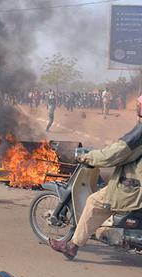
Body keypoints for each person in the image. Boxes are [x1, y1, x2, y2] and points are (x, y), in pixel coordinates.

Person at [49, 96, 142, 260]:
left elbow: (115, 153)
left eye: (139, 105)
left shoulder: (139, 132)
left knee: (95, 202)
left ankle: (72, 246)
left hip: (133, 184)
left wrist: (89, 157)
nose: (137, 107)